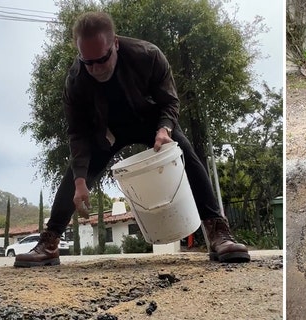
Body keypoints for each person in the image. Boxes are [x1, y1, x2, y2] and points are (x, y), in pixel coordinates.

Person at [15, 11, 250, 267]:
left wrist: (165, 129)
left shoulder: (147, 55)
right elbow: (78, 133)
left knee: (186, 154)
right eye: (88, 62)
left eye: (102, 59)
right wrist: (81, 181)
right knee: (75, 173)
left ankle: (218, 233)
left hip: (150, 121)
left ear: (115, 43)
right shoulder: (76, 81)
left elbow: (170, 101)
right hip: (106, 131)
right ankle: (49, 243)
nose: (95, 69)